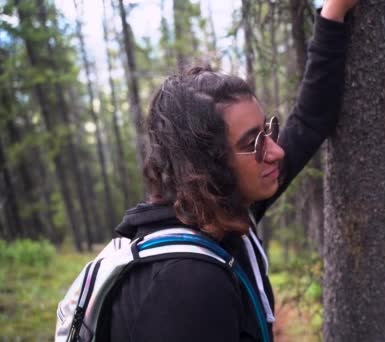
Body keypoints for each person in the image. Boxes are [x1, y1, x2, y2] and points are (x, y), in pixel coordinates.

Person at [97, 0, 357, 340]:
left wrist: (332, 14)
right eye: (253, 142)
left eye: (268, 130)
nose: (276, 151)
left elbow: (309, 121)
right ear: (207, 165)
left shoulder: (224, 210)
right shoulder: (187, 287)